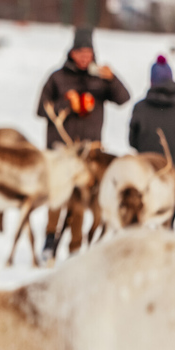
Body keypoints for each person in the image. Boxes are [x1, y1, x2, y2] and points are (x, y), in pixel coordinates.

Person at [37, 27, 130, 259]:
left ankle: (76, 245)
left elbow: (123, 99)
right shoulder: (57, 77)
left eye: (88, 53)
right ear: (72, 52)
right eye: (80, 52)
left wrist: (113, 78)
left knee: (81, 199)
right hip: (62, 150)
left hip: (91, 152)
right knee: (58, 196)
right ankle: (50, 238)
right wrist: (66, 105)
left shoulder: (100, 77)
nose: (84, 57)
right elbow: (41, 110)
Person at [129, 55, 175, 223]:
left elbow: (132, 141)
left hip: (146, 176)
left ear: (152, 81)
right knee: (167, 223)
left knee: (145, 221)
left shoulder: (140, 107)